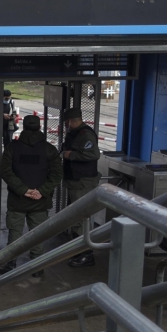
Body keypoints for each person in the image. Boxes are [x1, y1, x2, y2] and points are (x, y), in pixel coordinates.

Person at [0, 115, 63, 276]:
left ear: (23, 127)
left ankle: (10, 264)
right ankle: (37, 267)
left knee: (15, 233)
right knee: (37, 234)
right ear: (40, 127)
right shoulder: (49, 149)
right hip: (40, 201)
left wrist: (23, 190)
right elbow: (57, 174)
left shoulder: (13, 148)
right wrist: (41, 191)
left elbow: (5, 171)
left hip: (17, 200)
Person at [61, 107, 101, 267]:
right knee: (76, 217)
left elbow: (94, 154)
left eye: (66, 122)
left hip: (83, 182)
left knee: (82, 217)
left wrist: (71, 155)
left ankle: (87, 253)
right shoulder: (75, 133)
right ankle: (78, 249)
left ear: (70, 121)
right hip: (76, 181)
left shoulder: (85, 134)